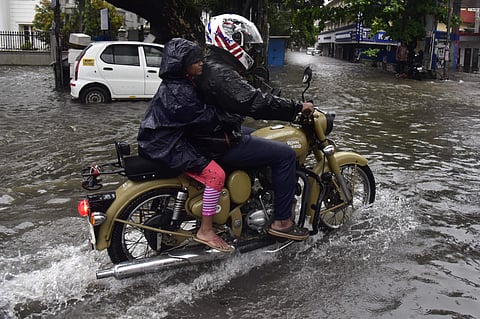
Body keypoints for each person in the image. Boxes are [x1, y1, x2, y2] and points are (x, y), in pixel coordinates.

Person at [196, 14, 314, 241]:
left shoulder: (214, 66)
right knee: (285, 154)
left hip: (212, 132)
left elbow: (248, 96)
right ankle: (282, 221)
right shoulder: (221, 71)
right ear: (228, 39)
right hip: (219, 139)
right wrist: (296, 107)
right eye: (242, 41)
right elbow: (253, 102)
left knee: (260, 136)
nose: (246, 47)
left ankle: (252, 196)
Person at [137, 38, 232, 252]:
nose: (201, 64)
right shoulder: (180, 90)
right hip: (166, 145)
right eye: (195, 60)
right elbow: (205, 117)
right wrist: (230, 117)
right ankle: (206, 230)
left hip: (161, 140)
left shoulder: (178, 83)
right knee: (216, 175)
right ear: (182, 63)